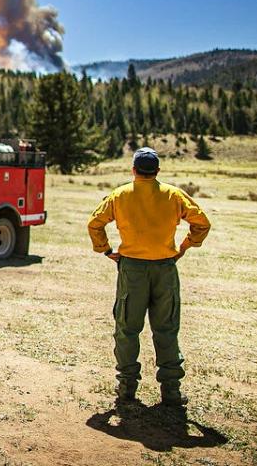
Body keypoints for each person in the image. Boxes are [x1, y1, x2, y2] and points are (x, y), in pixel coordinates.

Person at [87, 147, 211, 406]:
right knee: (166, 329)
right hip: (165, 268)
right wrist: (184, 247)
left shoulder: (120, 195)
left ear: (133, 170)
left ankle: (127, 388)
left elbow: (95, 223)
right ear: (157, 171)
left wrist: (106, 250)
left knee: (127, 329)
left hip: (132, 269)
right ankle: (171, 392)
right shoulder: (173, 195)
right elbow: (202, 223)